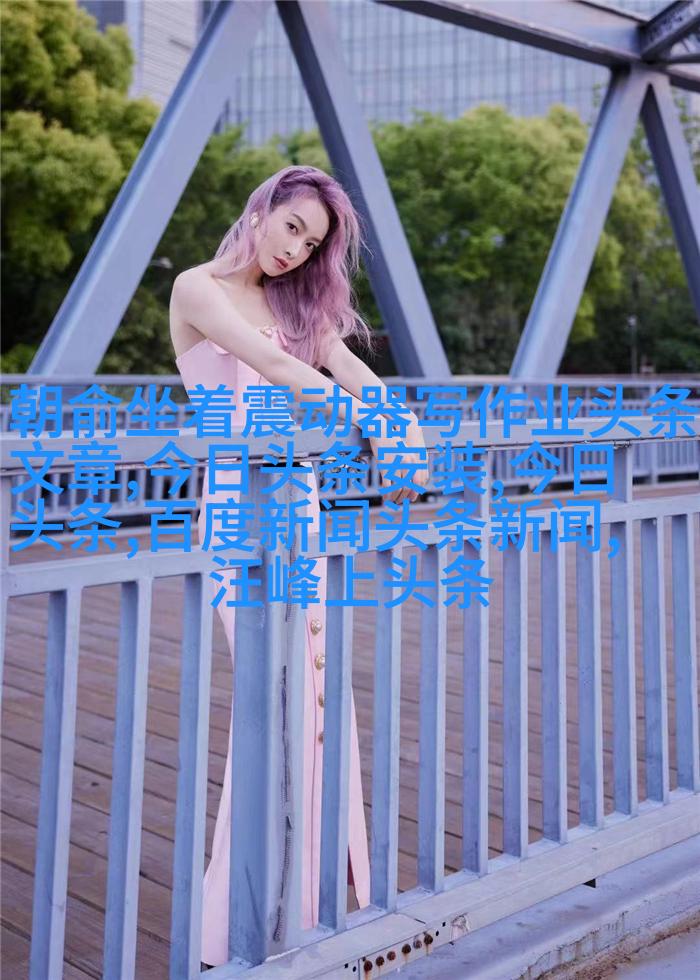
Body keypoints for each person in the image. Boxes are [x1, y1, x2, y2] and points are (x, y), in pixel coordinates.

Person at [169, 164, 429, 968]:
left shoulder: (295, 306)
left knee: (316, 696)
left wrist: (402, 427)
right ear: (262, 211)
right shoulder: (198, 287)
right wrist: (376, 427)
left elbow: (354, 373)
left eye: (311, 244)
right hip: (239, 513)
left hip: (299, 509)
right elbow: (281, 369)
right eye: (292, 228)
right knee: (270, 700)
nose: (295, 251)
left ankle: (306, 898)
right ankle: (236, 916)